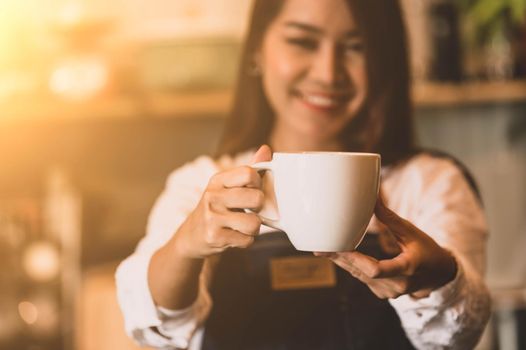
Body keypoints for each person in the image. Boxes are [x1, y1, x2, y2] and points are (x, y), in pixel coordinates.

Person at [116, 0, 491, 349]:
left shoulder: (430, 183)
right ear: (257, 51)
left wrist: (436, 278)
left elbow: (460, 333)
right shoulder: (201, 183)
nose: (328, 73)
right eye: (302, 42)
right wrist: (186, 246)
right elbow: (154, 324)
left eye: (356, 46)